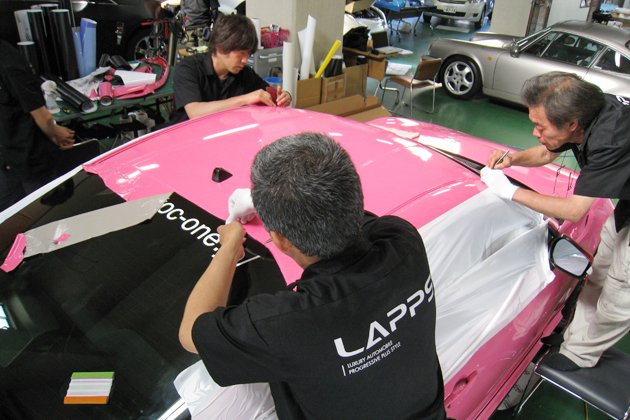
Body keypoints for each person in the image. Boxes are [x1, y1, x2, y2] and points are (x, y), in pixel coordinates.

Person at [179, 132, 446, 420]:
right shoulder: (402, 239)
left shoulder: (286, 323)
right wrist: (272, 202)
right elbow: (347, 216)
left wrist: (230, 248)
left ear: (280, 241)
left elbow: (191, 331)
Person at [481, 71, 630, 371]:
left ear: (572, 124)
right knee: (600, 271)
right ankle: (574, 338)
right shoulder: (585, 111)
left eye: (540, 126)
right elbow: (546, 153)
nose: (535, 132)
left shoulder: (610, 138)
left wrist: (510, 192)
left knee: (622, 287)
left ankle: (579, 355)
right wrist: (513, 160)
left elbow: (573, 210)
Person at [170, 13, 291, 124]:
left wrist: (284, 96)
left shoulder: (245, 73)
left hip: (224, 133)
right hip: (187, 134)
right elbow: (195, 112)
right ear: (220, 47)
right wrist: (244, 99)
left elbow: (267, 94)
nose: (245, 60)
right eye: (241, 53)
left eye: (249, 54)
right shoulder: (188, 69)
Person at [0, 39, 75, 213]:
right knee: (11, 217)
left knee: (43, 216)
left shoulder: (10, 63)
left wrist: (54, 133)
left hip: (30, 161)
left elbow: (42, 115)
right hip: (8, 159)